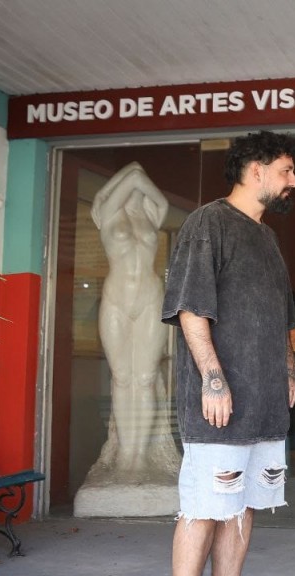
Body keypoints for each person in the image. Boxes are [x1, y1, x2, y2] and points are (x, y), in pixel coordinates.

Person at [160, 130, 295, 576]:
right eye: (286, 170)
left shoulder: (265, 237)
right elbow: (192, 309)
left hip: (263, 404)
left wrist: (287, 370)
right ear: (256, 171)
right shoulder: (208, 224)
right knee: (204, 504)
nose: (293, 181)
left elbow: (281, 320)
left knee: (241, 505)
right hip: (222, 402)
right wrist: (213, 379)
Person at [92, 161, 170, 473]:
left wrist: (131, 176)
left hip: (151, 298)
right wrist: (120, 183)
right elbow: (137, 173)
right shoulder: (109, 214)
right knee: (122, 379)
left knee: (146, 379)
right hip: (116, 300)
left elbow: (141, 178)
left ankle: (140, 455)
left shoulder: (152, 215)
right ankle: (126, 453)